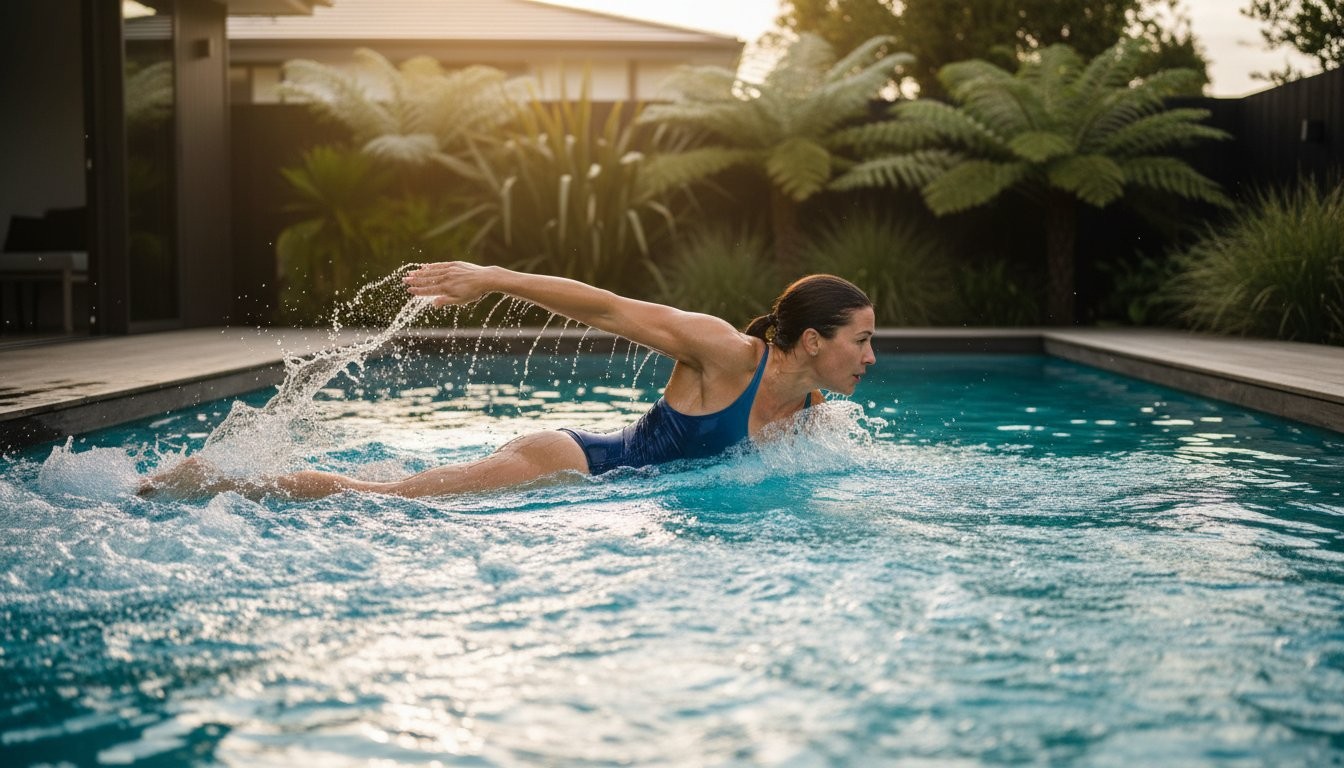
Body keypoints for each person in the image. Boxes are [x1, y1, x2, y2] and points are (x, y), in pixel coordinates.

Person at [142, 261, 876, 499]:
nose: (872, 356)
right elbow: (608, 307)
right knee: (384, 501)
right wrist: (487, 278)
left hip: (604, 502)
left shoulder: (814, 412)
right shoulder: (725, 354)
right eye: (863, 339)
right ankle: (212, 481)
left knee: (396, 493)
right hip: (567, 465)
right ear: (813, 340)